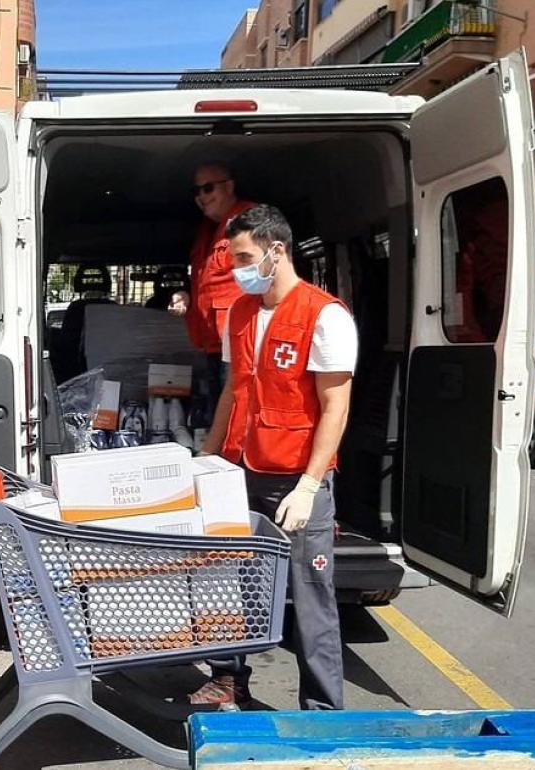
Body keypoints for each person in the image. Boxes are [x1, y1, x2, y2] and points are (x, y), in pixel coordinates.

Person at [195, 204, 355, 711]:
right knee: (231, 582)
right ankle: (228, 678)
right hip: (240, 469)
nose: (236, 269)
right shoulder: (241, 311)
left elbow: (336, 405)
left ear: (276, 251)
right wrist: (208, 453)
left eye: (243, 257)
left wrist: (310, 485)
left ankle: (323, 710)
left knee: (311, 599)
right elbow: (231, 392)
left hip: (293, 479)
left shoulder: (323, 314)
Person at [183, 162, 256, 418]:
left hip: (241, 341)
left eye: (208, 188)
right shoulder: (207, 229)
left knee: (235, 416)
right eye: (197, 191)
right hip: (215, 343)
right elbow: (210, 282)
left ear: (230, 186)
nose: (201, 197)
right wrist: (187, 298)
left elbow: (267, 276)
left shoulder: (248, 220)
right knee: (220, 416)